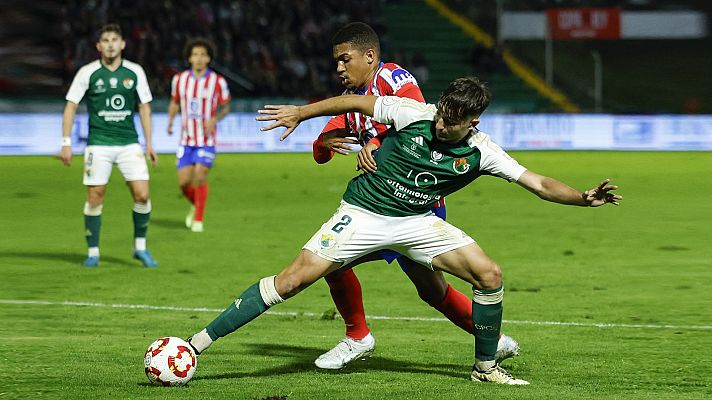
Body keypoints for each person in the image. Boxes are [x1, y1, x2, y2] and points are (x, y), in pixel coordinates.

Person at [185, 76, 621, 385]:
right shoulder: (413, 112)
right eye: (443, 112)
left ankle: (485, 368)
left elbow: (540, 183)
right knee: (292, 279)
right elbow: (352, 103)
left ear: (474, 121)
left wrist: (583, 198)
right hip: (364, 212)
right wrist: (301, 112)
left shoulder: (481, 151)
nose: (441, 123)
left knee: (489, 274)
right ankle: (195, 344)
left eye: (453, 120)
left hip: (418, 224)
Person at [311, 22, 518, 370]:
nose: (339, 68)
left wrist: (375, 142)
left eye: (345, 60)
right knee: (333, 264)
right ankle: (357, 336)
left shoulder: (392, 78)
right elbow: (323, 151)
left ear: (370, 56)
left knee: (431, 290)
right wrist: (322, 143)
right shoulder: (351, 104)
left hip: (416, 207)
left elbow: (418, 120)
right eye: (337, 62)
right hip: (376, 207)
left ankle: (490, 341)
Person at [60, 23, 158, 268]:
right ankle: (93, 252)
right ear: (98, 46)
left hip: (129, 143)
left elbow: (144, 107)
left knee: (142, 195)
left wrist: (149, 143)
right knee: (95, 197)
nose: (111, 43)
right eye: (106, 40)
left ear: (123, 44)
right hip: (98, 144)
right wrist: (66, 142)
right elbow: (71, 105)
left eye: (115, 39)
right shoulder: (87, 72)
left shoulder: (135, 71)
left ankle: (140, 248)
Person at [167, 38, 231, 233]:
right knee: (184, 183)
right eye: (195, 54)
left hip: (206, 140)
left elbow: (226, 107)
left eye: (203, 55)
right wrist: (170, 121)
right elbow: (175, 102)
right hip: (186, 140)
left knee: (200, 176)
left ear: (209, 58)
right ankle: (196, 203)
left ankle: (198, 218)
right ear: (189, 58)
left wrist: (215, 119)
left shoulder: (218, 81)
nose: (199, 58)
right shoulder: (179, 80)